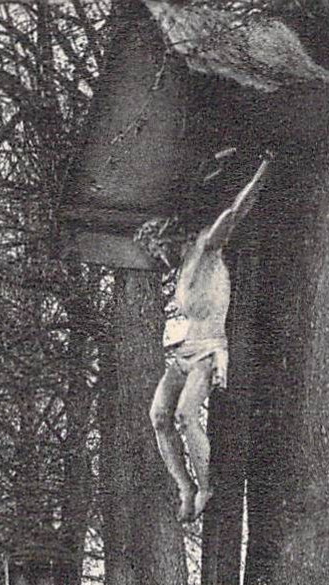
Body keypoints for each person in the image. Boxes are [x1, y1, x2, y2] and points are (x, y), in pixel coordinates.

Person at [140, 155, 270, 523]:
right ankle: (185, 487)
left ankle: (206, 485)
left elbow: (234, 212)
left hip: (210, 350)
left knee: (184, 415)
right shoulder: (180, 270)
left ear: (168, 239)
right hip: (185, 351)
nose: (159, 259)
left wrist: (261, 173)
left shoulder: (206, 248)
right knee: (159, 416)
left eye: (158, 250)